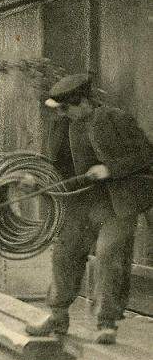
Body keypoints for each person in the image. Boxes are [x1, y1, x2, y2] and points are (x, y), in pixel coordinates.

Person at [25, 74, 153, 344]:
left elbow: (146, 155)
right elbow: (53, 165)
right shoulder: (61, 126)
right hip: (79, 203)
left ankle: (107, 322)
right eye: (60, 110)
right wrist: (36, 180)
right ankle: (57, 316)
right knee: (65, 254)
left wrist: (110, 168)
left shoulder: (115, 119)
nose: (64, 114)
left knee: (109, 256)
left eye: (67, 108)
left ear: (83, 102)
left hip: (117, 203)